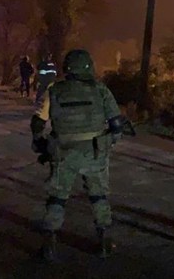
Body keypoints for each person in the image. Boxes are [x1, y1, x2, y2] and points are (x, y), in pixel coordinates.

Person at [30, 49, 125, 261]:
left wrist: (40, 144)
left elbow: (37, 122)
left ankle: (49, 244)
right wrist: (110, 142)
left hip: (63, 152)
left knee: (57, 197)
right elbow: (117, 124)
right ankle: (104, 242)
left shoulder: (54, 91)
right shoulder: (101, 90)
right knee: (98, 196)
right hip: (94, 152)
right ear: (89, 66)